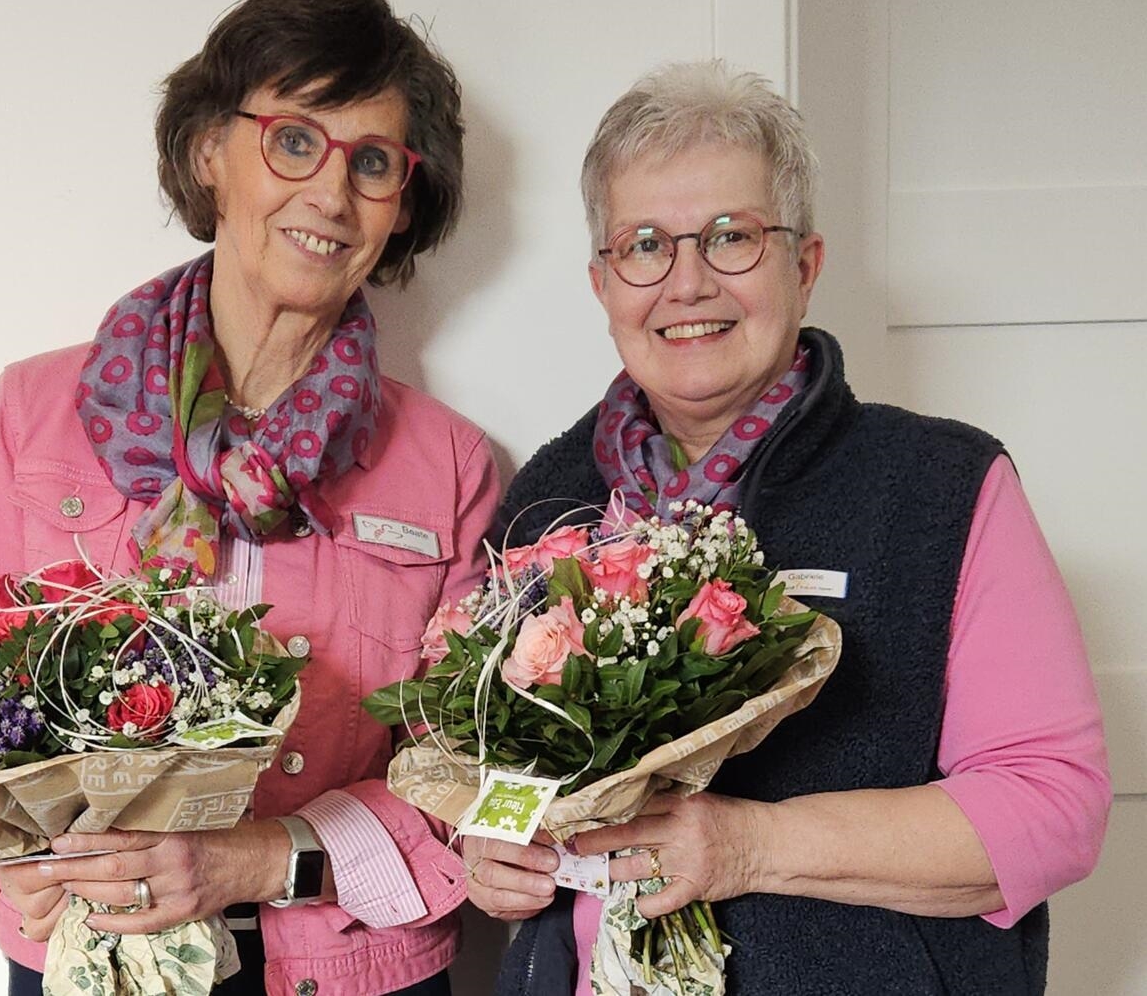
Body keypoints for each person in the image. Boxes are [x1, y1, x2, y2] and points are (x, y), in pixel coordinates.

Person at [464, 60, 1110, 995]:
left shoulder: (942, 485)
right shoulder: (547, 499)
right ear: (603, 284)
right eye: (645, 245)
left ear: (803, 266)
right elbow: (488, 758)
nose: (687, 283)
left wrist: (749, 846)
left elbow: (1051, 806)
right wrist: (492, 840)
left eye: (731, 236)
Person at [0, 0, 498, 994]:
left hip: (346, 959)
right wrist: (13, 865)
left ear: (403, 205)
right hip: (91, 950)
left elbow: (471, 768)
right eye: (294, 141)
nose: (332, 194)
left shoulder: (449, 464)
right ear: (207, 153)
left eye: (372, 162)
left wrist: (260, 857)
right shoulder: (31, 413)